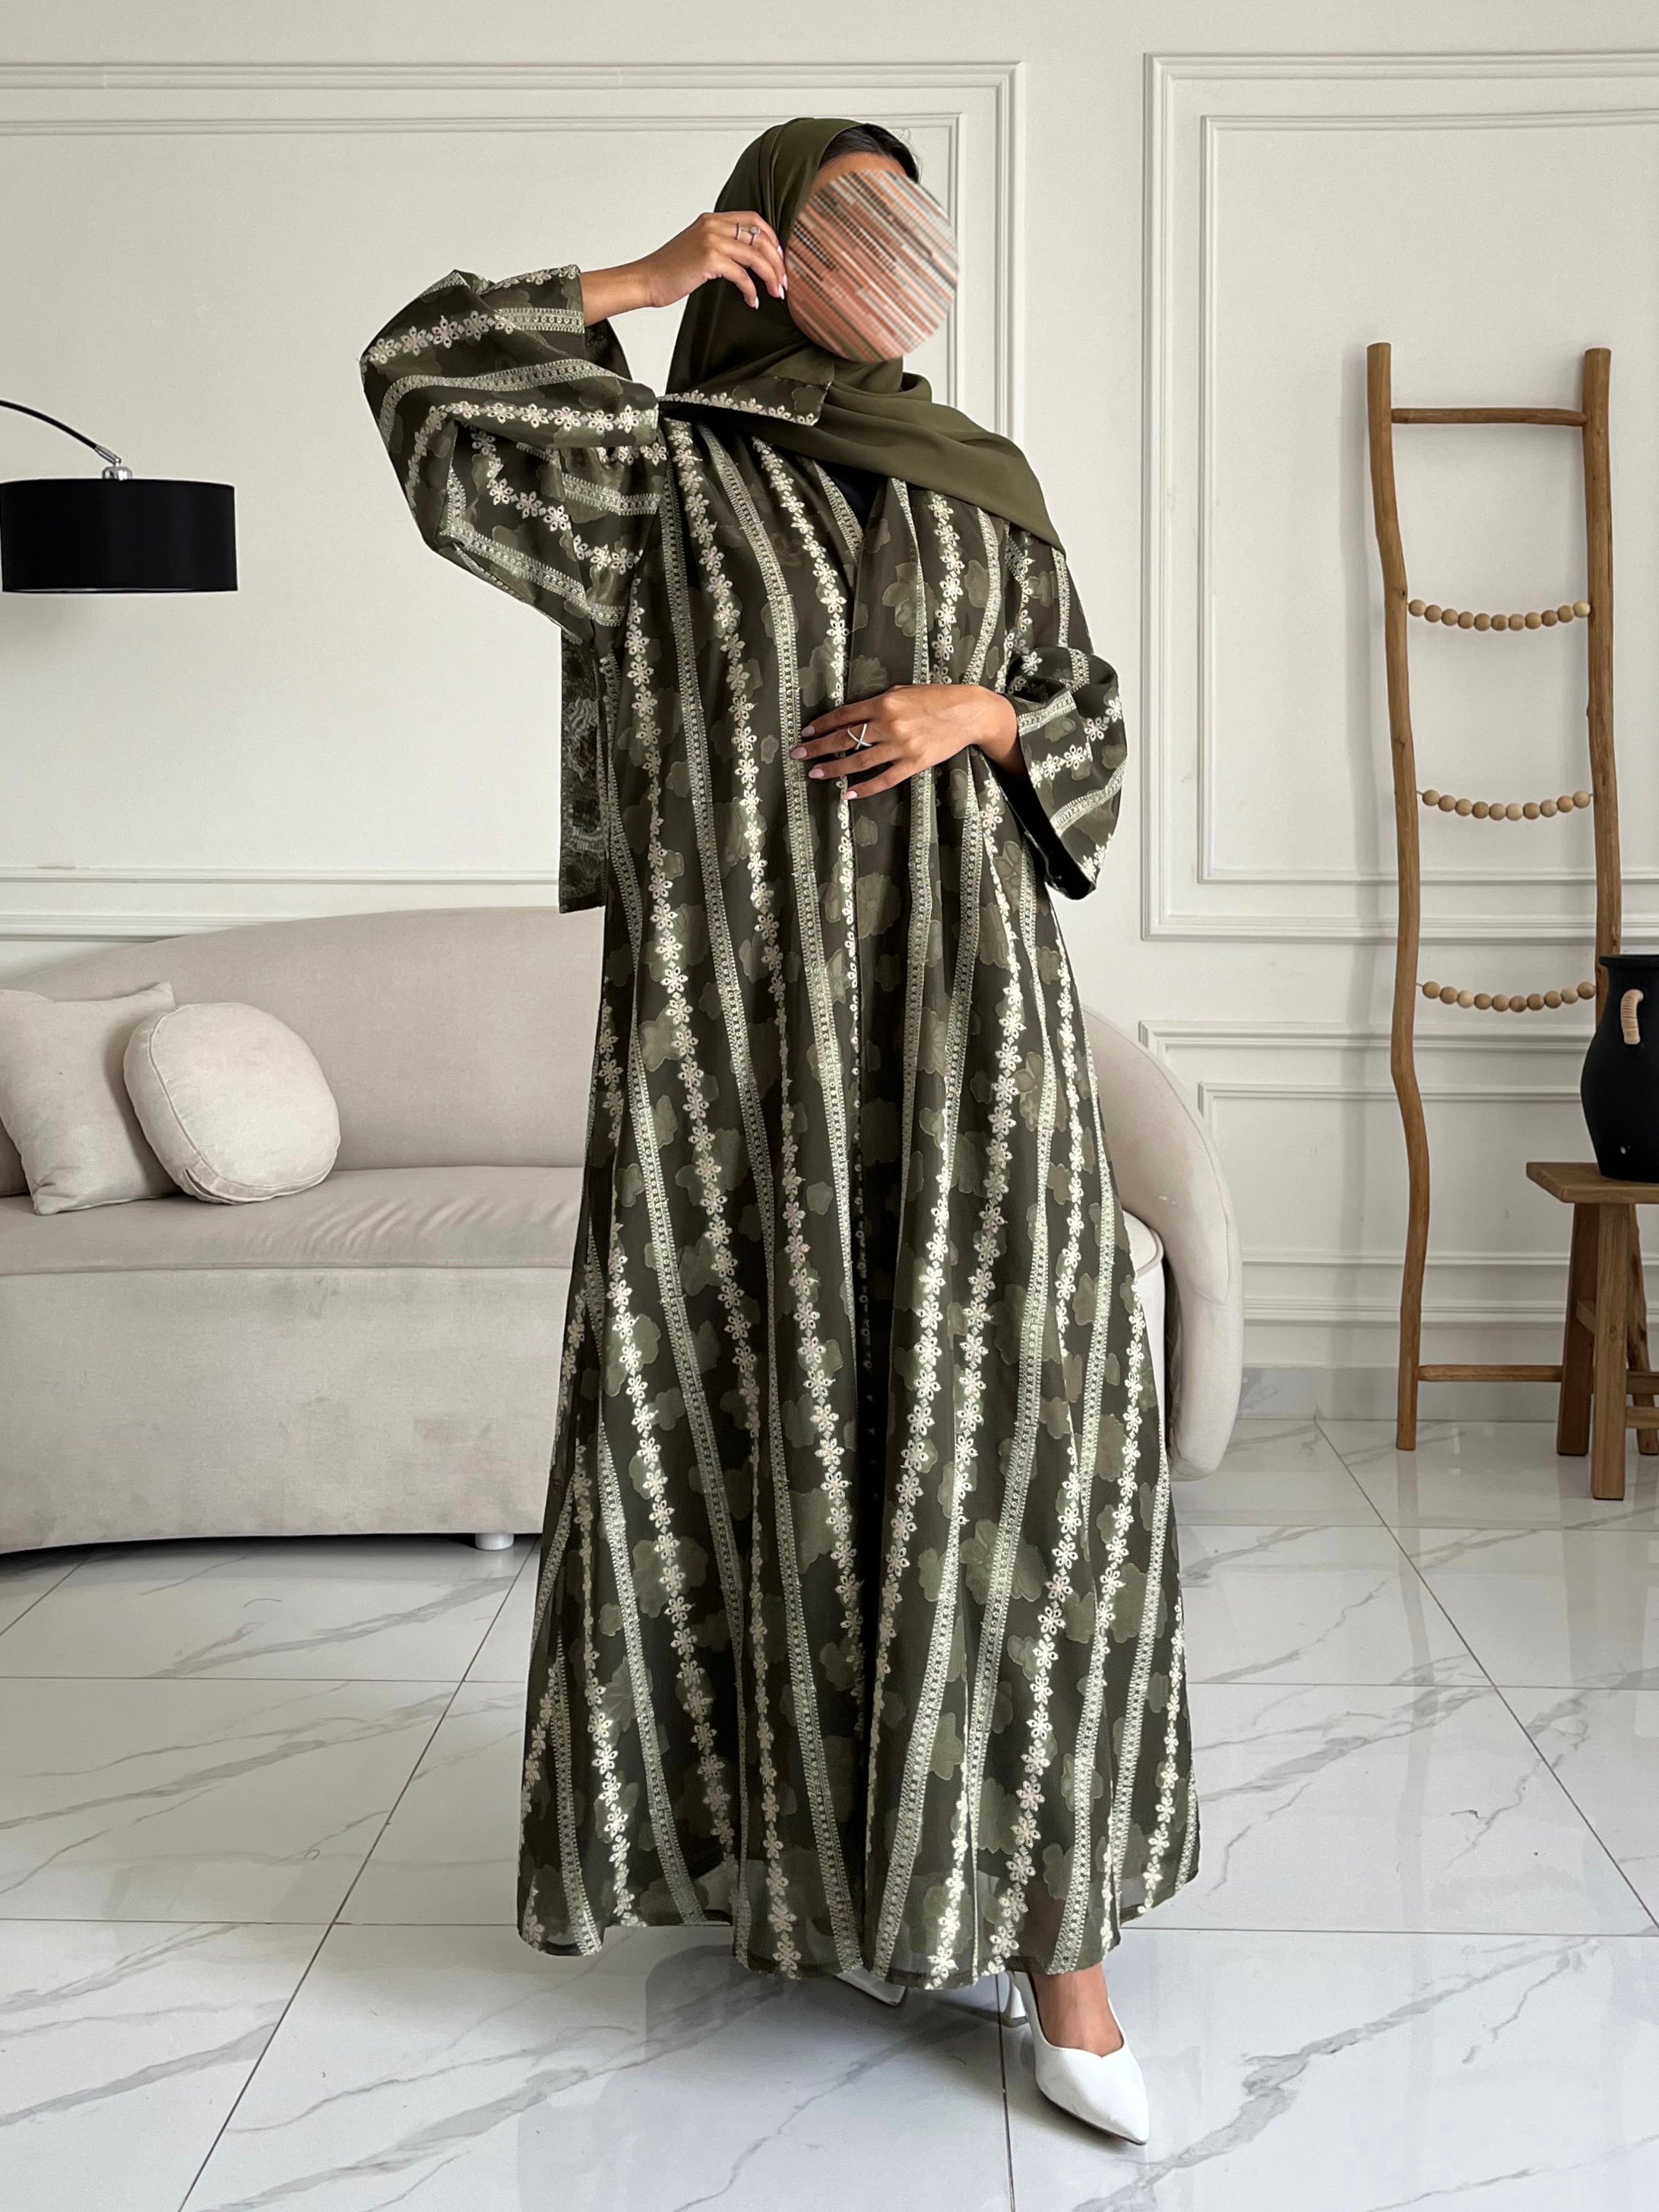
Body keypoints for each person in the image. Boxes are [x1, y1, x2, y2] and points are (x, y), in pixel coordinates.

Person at [361, 115, 1195, 2143]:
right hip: (741, 1063)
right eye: (850, 215)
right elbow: (419, 379)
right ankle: (805, 1872)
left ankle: (1065, 1969)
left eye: (910, 219)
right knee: (762, 1439)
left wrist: (983, 716)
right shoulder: (655, 476)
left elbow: (1083, 700)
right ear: (775, 237)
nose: (893, 252)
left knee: (1027, 1465)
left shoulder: (985, 473)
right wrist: (639, 284)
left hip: (979, 1048)